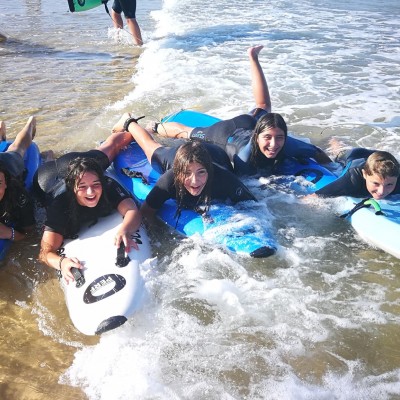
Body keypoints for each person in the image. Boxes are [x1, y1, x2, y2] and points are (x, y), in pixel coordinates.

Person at [149, 45, 332, 176]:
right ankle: (156, 127)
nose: (274, 144)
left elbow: (317, 152)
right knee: (187, 132)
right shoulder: (244, 158)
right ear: (258, 136)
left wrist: (333, 169)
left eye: (279, 137)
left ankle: (253, 57)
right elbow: (245, 182)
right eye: (268, 138)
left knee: (263, 106)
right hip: (225, 134)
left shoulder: (288, 144)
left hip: (249, 123)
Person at [36, 129, 141, 284]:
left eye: (96, 184)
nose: (91, 192)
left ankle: (129, 125)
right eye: (82, 187)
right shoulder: (60, 205)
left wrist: (126, 229)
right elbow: (45, 253)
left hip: (76, 164)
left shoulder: (107, 185)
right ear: (73, 189)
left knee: (112, 146)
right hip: (46, 177)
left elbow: (132, 210)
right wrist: (61, 262)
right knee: (44, 170)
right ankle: (48, 158)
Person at [112, 113, 257, 222]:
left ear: (209, 171)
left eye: (201, 173)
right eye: (187, 173)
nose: (195, 181)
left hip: (217, 154)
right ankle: (129, 122)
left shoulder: (224, 178)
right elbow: (146, 212)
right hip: (175, 156)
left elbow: (254, 206)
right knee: (150, 146)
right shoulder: (169, 180)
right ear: (178, 172)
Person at [0, 117, 36, 242]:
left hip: (8, 164)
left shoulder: (19, 196)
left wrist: (9, 233)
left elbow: (30, 233)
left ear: (5, 183)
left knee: (18, 147)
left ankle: (30, 124)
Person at [314, 148, 400, 200]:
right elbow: (314, 197)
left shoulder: (395, 174)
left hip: (381, 157)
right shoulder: (352, 179)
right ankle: (333, 142)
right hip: (353, 154)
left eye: (389, 184)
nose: (381, 192)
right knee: (334, 158)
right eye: (376, 183)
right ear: (364, 174)